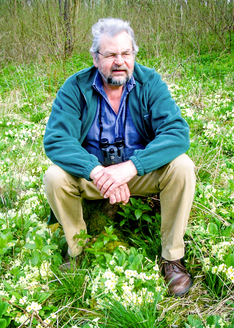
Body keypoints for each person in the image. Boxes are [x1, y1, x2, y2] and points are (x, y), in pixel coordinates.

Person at [43, 18, 196, 297]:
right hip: (93, 179)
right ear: (95, 57)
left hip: (137, 176)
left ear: (134, 54)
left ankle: (172, 258)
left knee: (182, 166)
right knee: (54, 176)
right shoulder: (74, 88)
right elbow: (56, 139)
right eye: (111, 54)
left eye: (126, 53)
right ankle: (77, 250)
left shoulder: (150, 83)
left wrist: (131, 167)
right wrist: (99, 172)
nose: (119, 61)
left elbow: (176, 133)